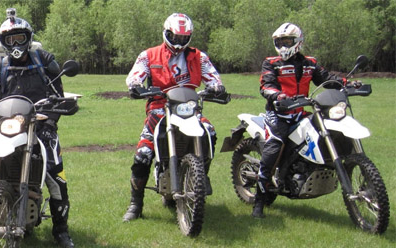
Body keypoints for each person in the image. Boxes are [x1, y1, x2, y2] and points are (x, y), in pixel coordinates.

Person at [0, 9, 76, 248]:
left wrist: (51, 119)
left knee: (55, 173)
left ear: (28, 38)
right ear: (3, 42)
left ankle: (60, 230)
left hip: (41, 122)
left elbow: (58, 95)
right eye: (10, 39)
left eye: (19, 38)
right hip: (8, 123)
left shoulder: (45, 60)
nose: (15, 44)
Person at [121, 13, 226, 222]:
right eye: (174, 36)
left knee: (210, 132)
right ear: (166, 33)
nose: (178, 41)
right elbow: (135, 75)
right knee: (143, 153)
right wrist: (135, 86)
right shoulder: (149, 55)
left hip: (190, 108)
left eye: (183, 37)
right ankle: (136, 204)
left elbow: (213, 77)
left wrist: (217, 87)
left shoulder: (199, 56)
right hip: (160, 108)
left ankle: (198, 178)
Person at [252, 23, 353, 219]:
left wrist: (347, 83)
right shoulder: (271, 63)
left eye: (287, 41)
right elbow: (266, 85)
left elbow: (326, 79)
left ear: (298, 41)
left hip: (300, 112)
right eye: (279, 42)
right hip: (278, 114)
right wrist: (278, 96)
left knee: (320, 133)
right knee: (274, 147)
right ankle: (259, 201)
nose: (283, 45)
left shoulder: (310, 63)